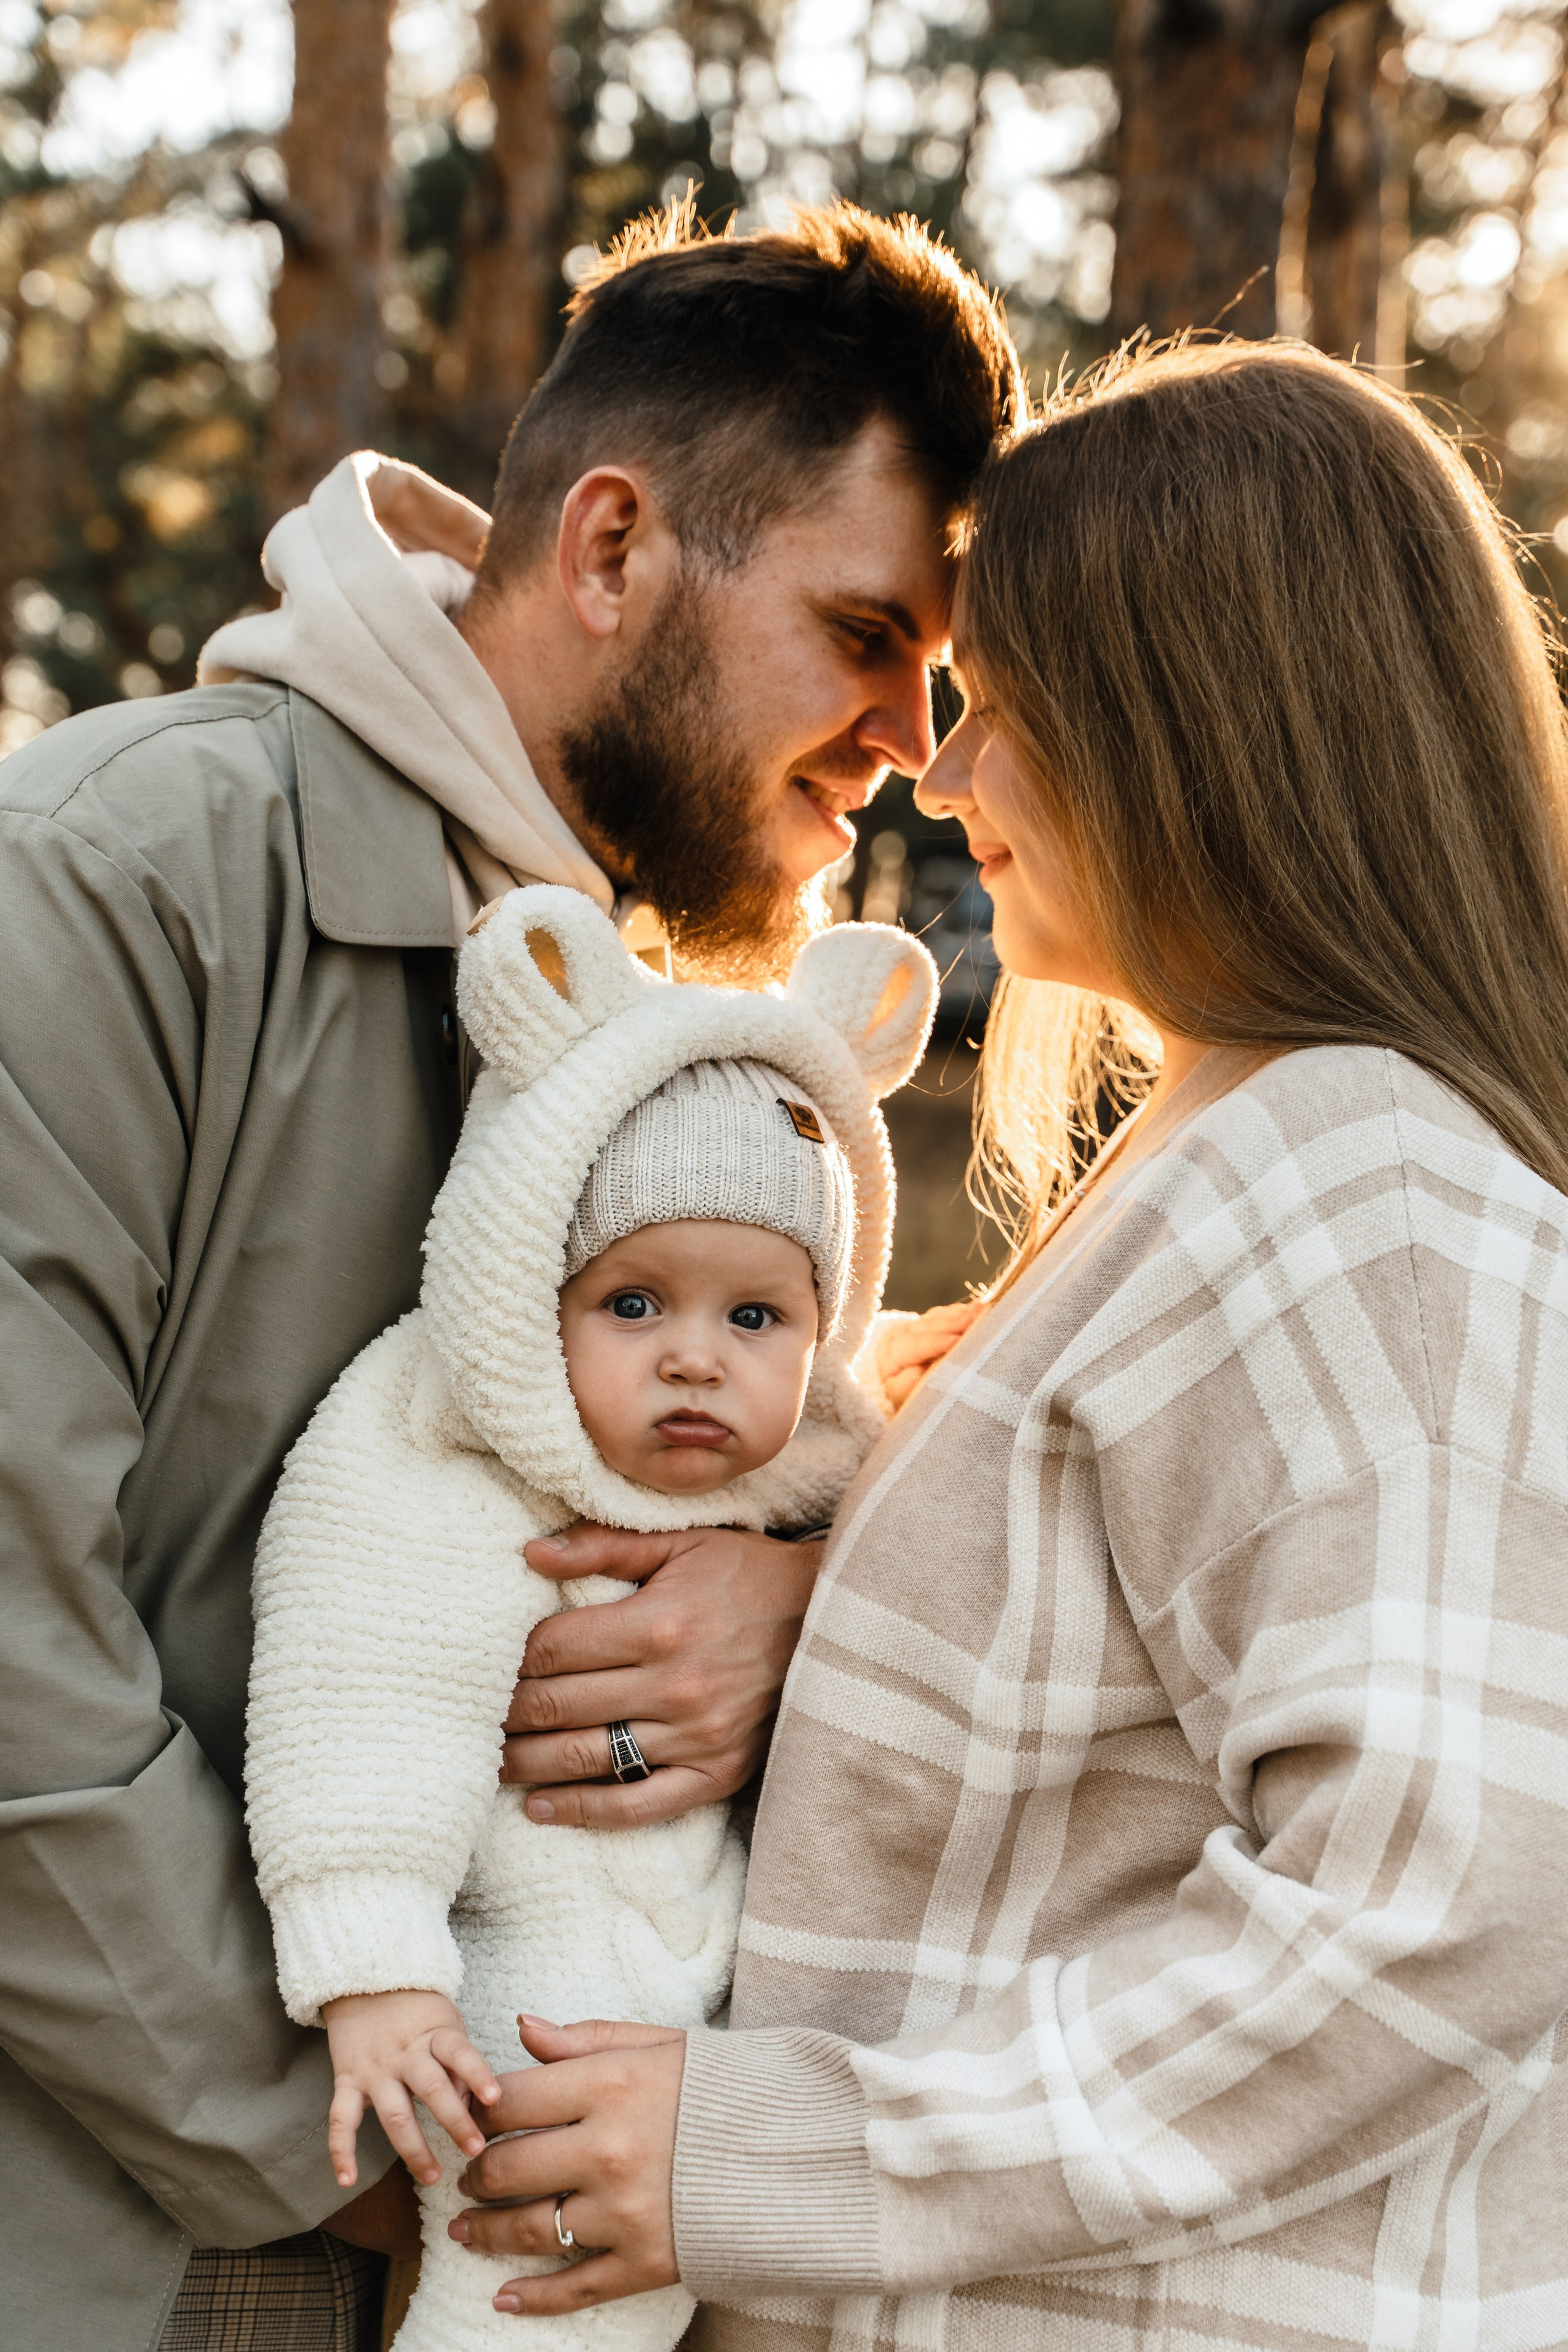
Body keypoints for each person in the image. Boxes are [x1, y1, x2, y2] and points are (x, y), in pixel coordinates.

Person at [437, 343, 1568, 2350]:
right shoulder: (1253, 1141)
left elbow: (1452, 1891)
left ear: (1199, 735)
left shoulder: (1354, 1170)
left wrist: (784, 2149)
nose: (944, 780)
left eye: (1008, 714)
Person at [0, 204, 1022, 2352]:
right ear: (618, 548)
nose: (912, 741)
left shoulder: (671, 1043)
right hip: (131, 2234)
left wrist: (800, 1594)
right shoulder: (112, 880)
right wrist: (380, 2135)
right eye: (863, 634)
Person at [244, 887, 935, 2352]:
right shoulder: (446, 1462)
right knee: (532, 2305)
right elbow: (360, 1686)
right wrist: (374, 1968)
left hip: (742, 2031)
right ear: (529, 1292)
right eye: (632, 1305)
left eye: (754, 1319)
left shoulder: (827, 1488)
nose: (694, 1359)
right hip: (528, 1987)